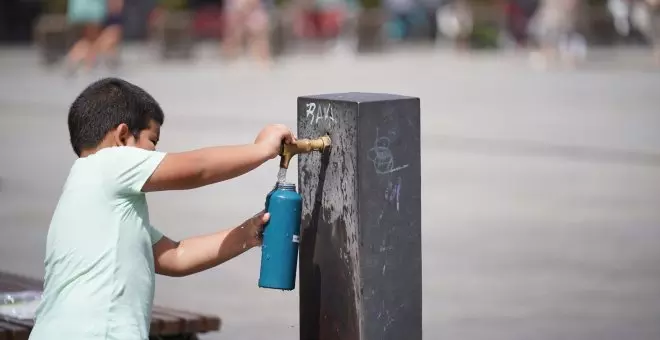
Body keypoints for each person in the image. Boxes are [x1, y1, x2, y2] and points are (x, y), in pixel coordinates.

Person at [28, 77, 295, 340]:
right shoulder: (108, 163)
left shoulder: (96, 200)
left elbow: (177, 256)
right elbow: (197, 168)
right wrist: (260, 150)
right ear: (122, 137)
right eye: (153, 142)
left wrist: (248, 234)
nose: (157, 152)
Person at [65, 0, 107, 71]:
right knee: (90, 40)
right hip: (90, 10)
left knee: (89, 40)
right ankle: (83, 61)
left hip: (82, 9)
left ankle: (80, 60)